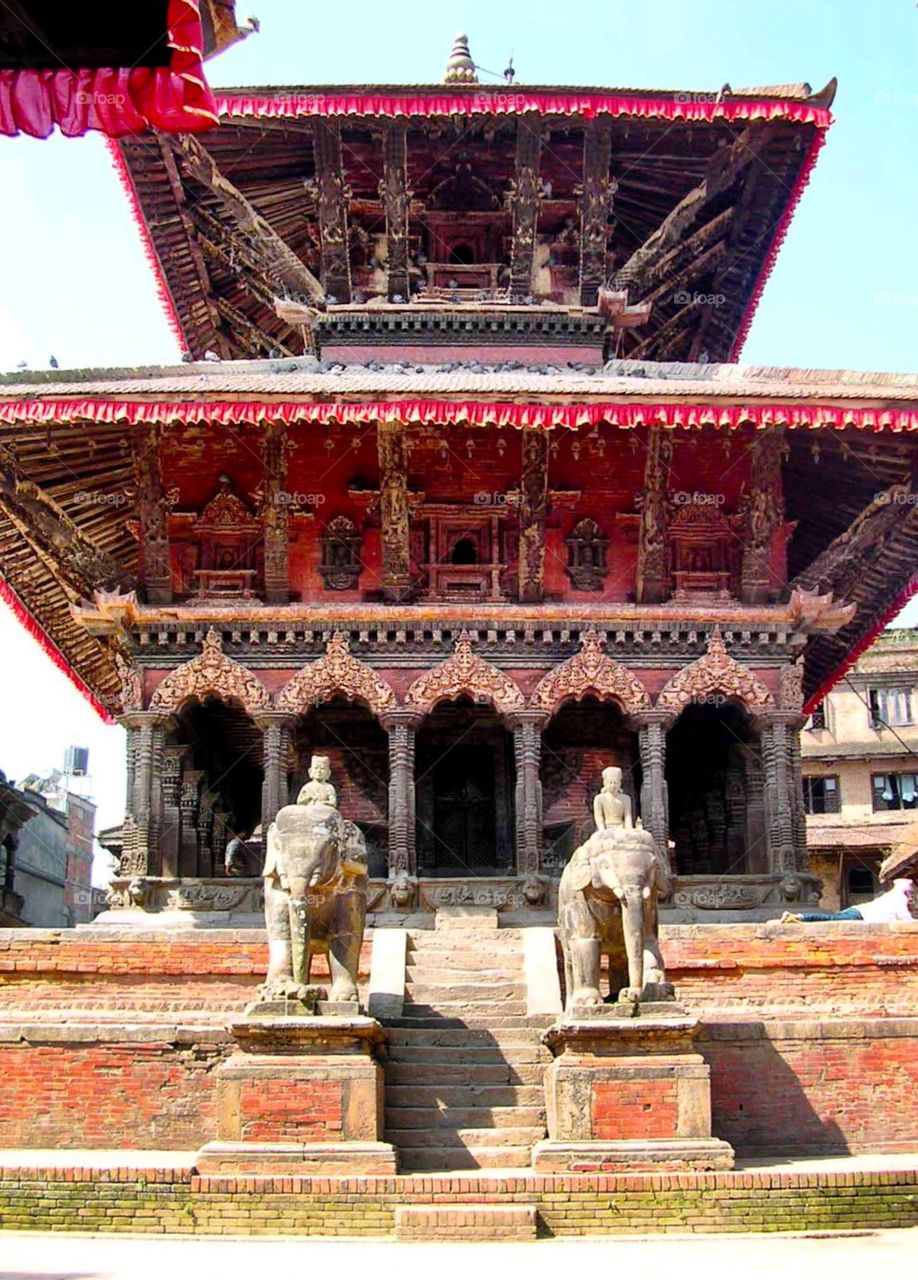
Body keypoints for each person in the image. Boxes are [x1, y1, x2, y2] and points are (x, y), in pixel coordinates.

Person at [781, 878, 916, 923]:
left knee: (830, 918)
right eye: (911, 892)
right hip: (859, 915)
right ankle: (797, 916)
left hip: (859, 912)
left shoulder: (893, 896)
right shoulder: (899, 898)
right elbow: (906, 919)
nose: (911, 897)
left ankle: (798, 917)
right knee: (830, 919)